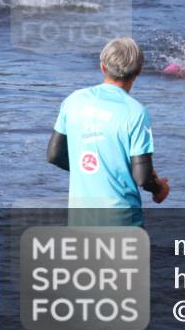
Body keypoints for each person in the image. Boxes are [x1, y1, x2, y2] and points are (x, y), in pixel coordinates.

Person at [47, 38, 170, 227]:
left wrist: (92, 171)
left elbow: (55, 155)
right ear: (138, 71)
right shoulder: (136, 112)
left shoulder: (74, 101)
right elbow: (142, 176)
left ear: (103, 67)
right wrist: (159, 188)